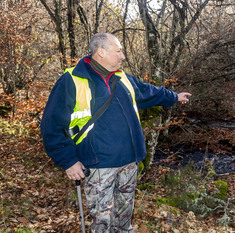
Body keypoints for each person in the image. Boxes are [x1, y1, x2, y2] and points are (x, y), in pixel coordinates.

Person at [40, 32, 191, 232]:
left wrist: (173, 97)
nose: (122, 56)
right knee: (102, 222)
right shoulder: (72, 80)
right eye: (118, 51)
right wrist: (67, 160)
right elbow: (51, 126)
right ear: (101, 52)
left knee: (124, 219)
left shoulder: (122, 78)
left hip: (129, 162)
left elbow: (148, 92)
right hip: (98, 165)